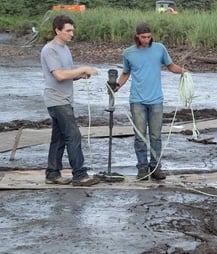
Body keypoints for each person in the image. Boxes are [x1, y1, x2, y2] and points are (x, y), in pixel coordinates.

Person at [115, 23, 186, 180]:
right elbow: (126, 73)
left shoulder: (160, 48)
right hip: (137, 100)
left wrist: (184, 72)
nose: (146, 40)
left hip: (156, 100)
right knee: (140, 136)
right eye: (143, 37)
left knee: (155, 136)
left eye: (148, 37)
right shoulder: (128, 53)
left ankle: (156, 167)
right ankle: (142, 168)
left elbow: (171, 66)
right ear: (137, 36)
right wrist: (117, 86)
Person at [40, 15, 100, 186]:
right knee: (73, 135)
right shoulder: (49, 50)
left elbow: (67, 75)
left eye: (72, 30)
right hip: (56, 100)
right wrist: (82, 68)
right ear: (57, 31)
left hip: (65, 99)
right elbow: (58, 75)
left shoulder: (65, 49)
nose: (72, 34)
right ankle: (80, 175)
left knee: (58, 138)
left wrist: (80, 76)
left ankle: (52, 173)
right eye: (68, 30)